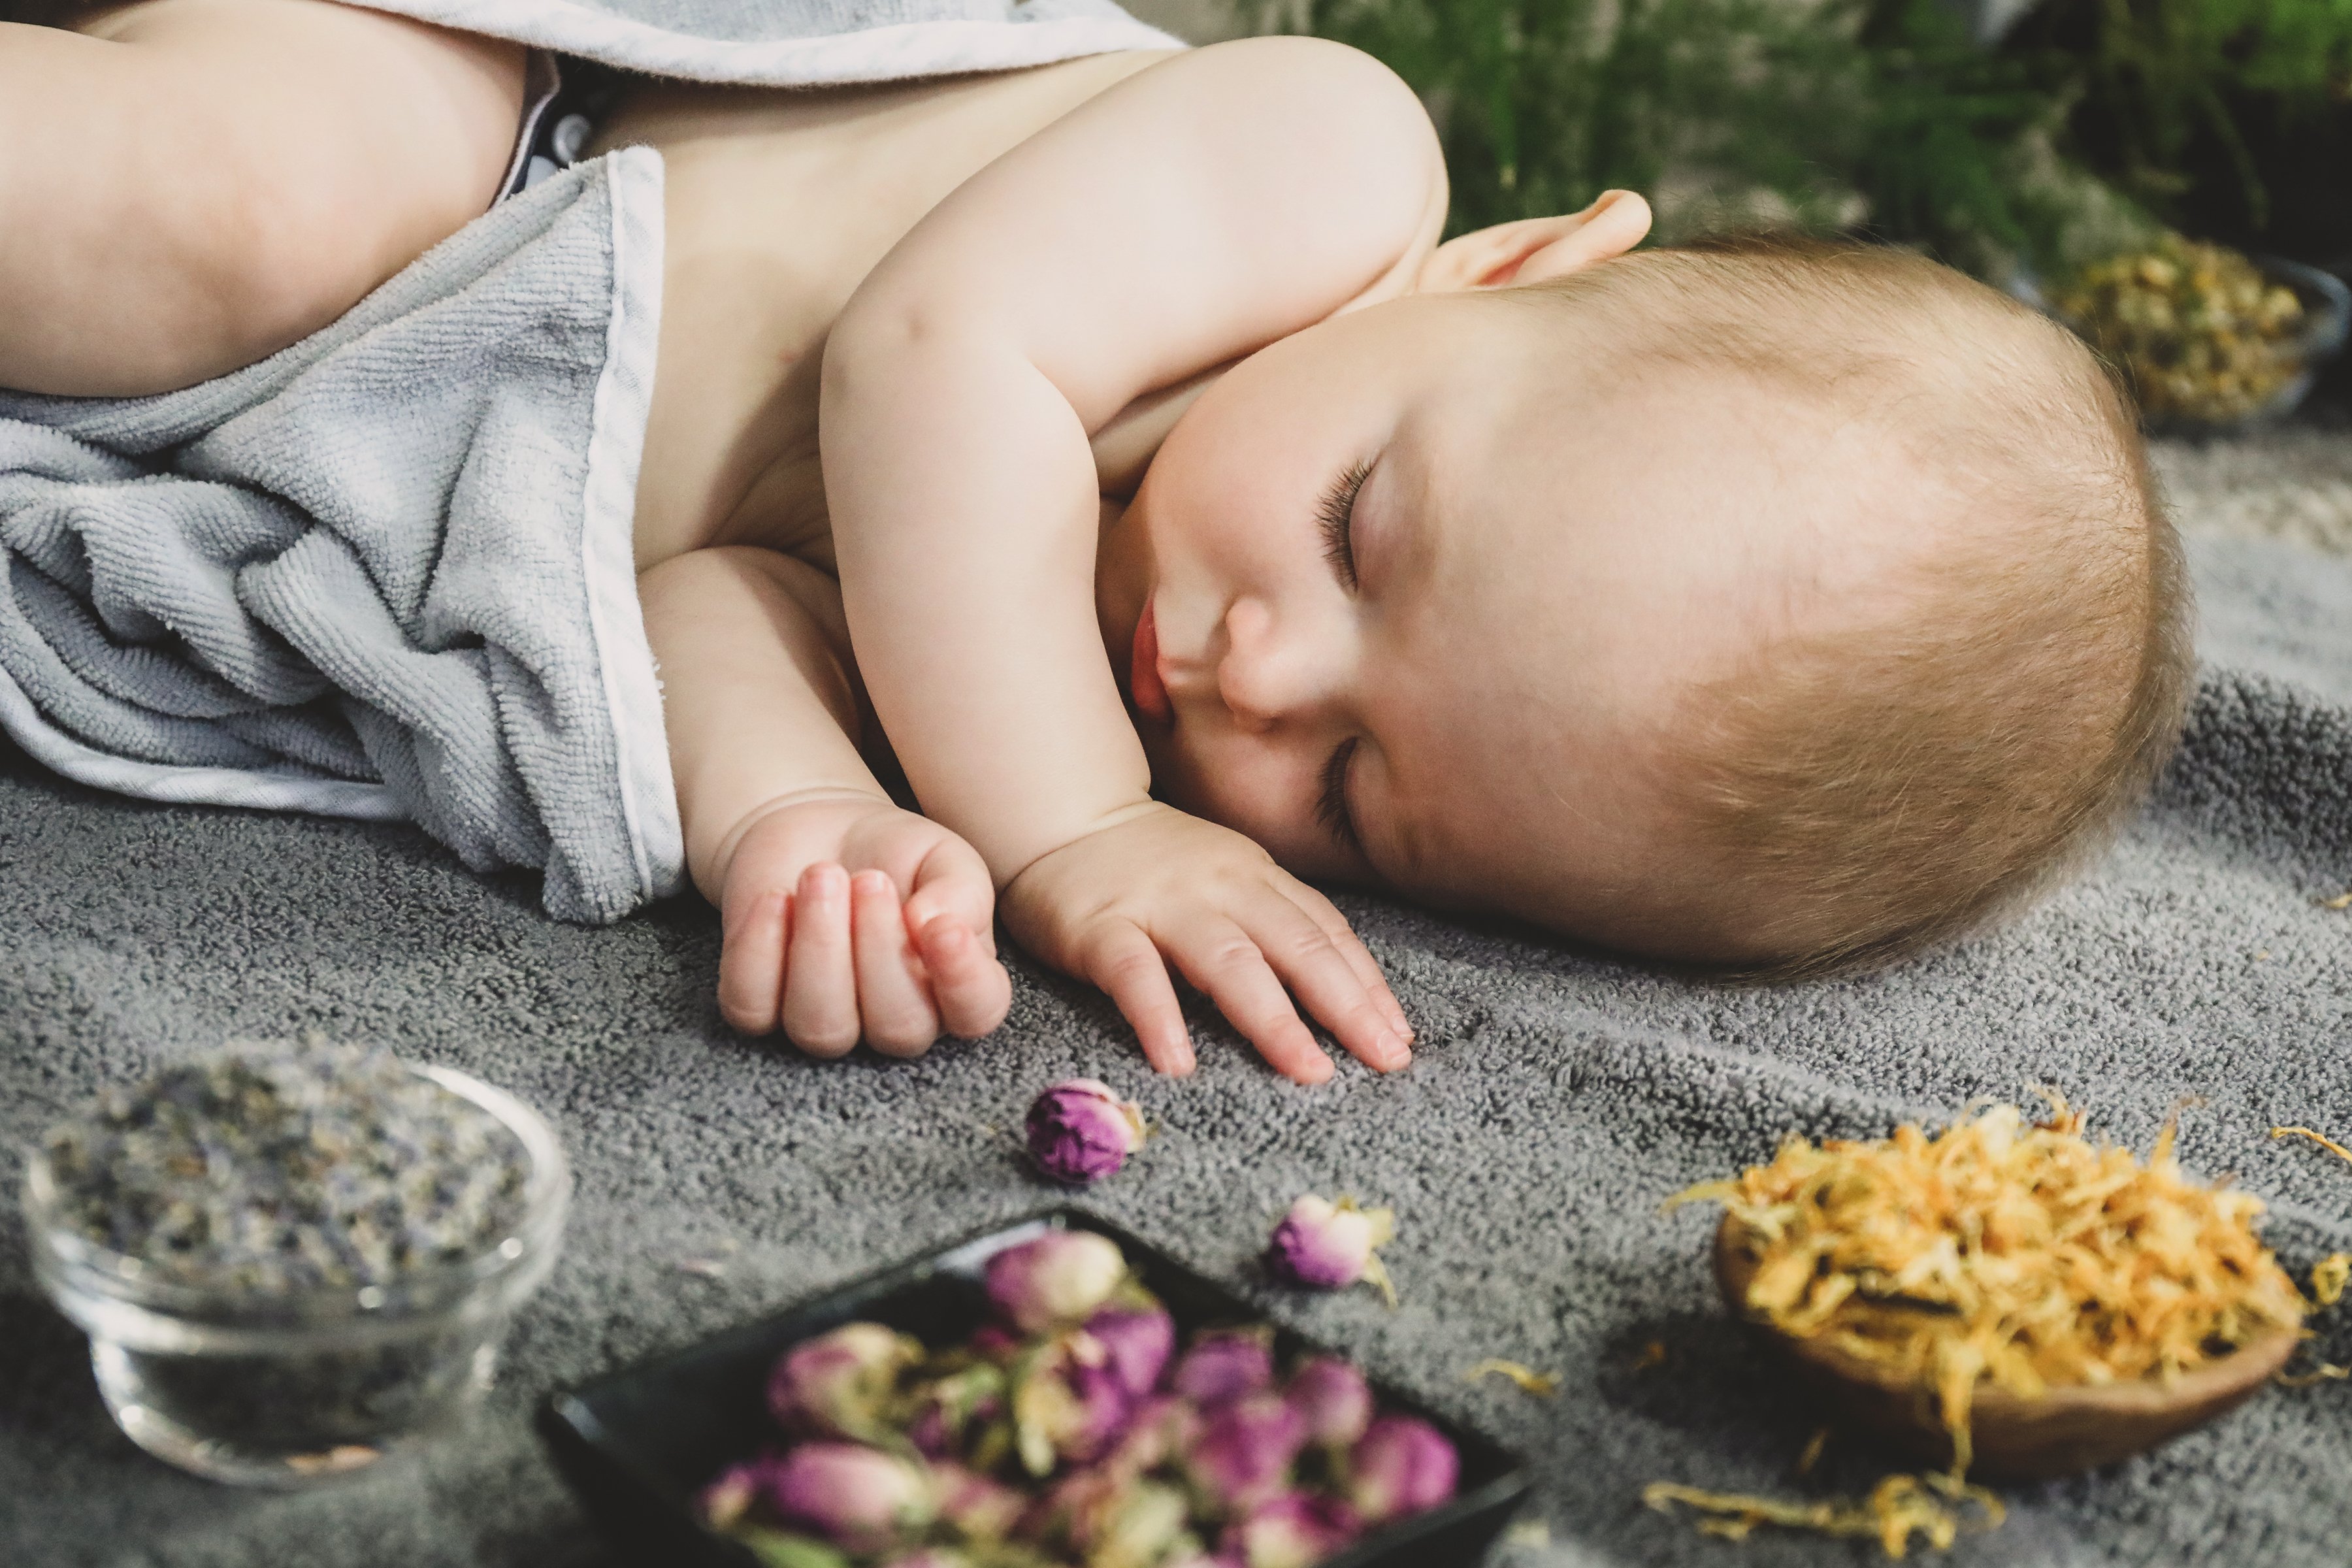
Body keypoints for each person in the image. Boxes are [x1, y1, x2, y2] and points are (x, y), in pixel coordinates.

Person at [0, 0, 2191, 1085]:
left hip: (449, 454)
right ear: (1503, 278)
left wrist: (809, 823)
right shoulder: (1320, 164)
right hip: (494, 147)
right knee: (226, 209)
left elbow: (698, 598)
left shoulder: (1051, 694)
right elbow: (932, 359)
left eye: (1354, 792)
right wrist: (1059, 834)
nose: (1253, 668)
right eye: (1362, 533)